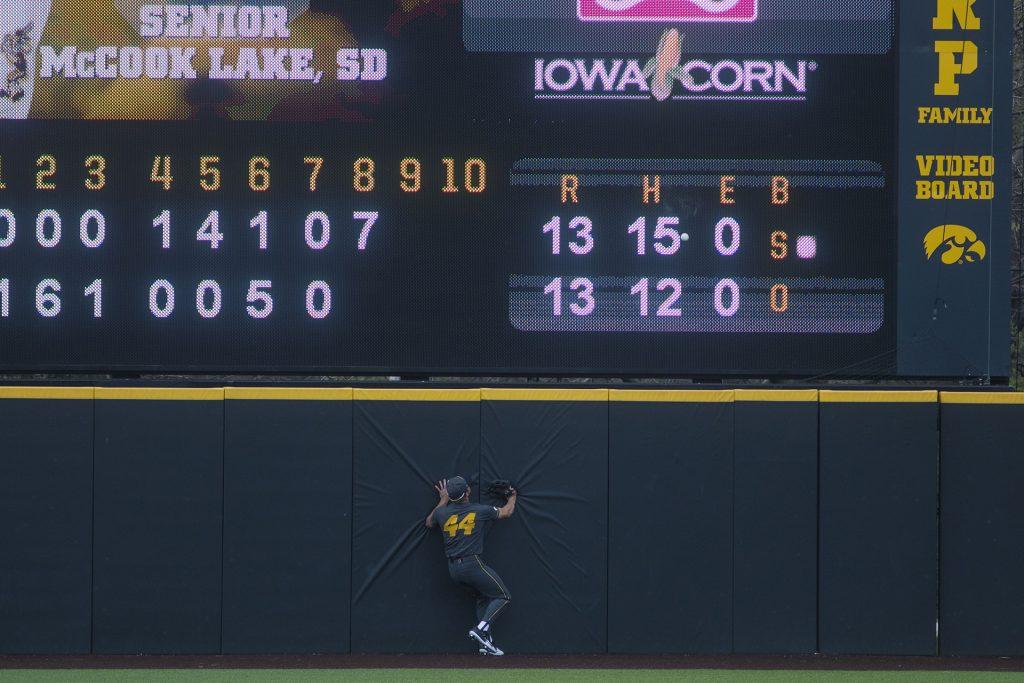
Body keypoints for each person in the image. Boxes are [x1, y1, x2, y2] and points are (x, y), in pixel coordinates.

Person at [425, 475, 516, 656]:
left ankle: (484, 645)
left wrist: (442, 500)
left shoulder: (442, 512)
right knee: (503, 595)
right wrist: (512, 496)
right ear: (468, 491)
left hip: (454, 570)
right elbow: (506, 512)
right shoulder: (479, 510)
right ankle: (481, 629)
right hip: (471, 564)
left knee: (483, 597)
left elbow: (429, 523)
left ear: (450, 495)